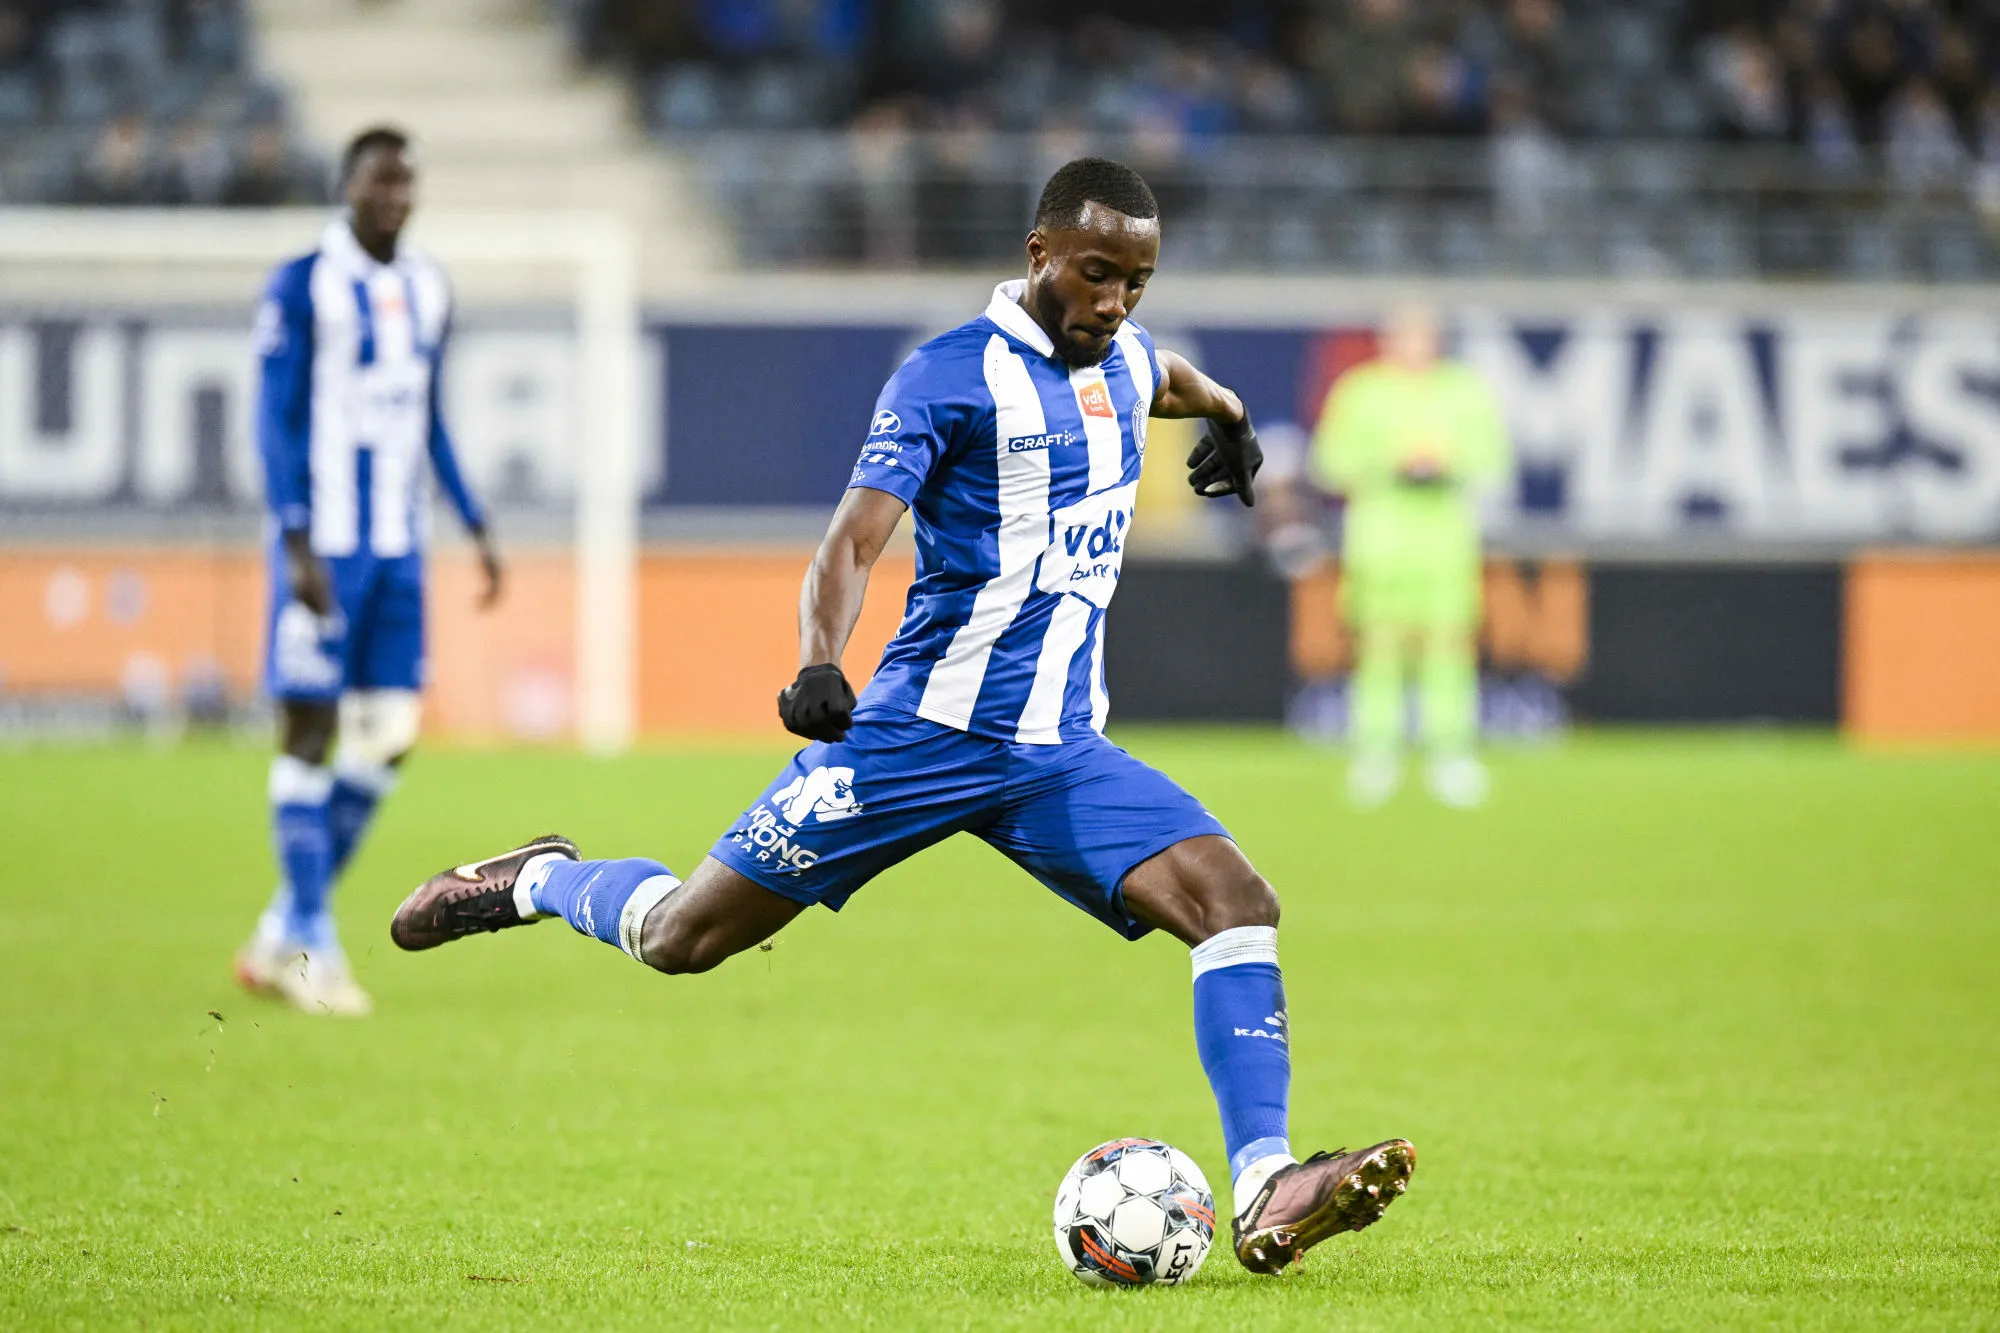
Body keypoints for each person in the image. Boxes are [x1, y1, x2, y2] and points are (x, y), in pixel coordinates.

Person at [389, 158, 1415, 1275]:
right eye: (1095, 274)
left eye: (1136, 280)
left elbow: (1158, 376)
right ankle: (535, 877)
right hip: (913, 742)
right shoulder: (948, 377)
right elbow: (851, 540)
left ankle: (1267, 1183)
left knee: (1235, 903)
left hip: (1056, 754)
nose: (1115, 301)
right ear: (1037, 257)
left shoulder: (1118, 359)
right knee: (681, 938)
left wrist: (1224, 409)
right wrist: (818, 660)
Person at [235, 125, 503, 1016]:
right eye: (376, 182)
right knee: (308, 735)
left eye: (404, 183)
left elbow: (427, 416)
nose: (393, 197)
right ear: (346, 188)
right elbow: (274, 419)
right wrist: (296, 536)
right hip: (326, 547)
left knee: (389, 733)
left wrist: (473, 518)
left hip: (398, 548)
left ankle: (282, 926)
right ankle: (311, 941)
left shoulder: (429, 287)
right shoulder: (303, 282)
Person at [1311, 302, 1509, 809]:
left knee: (1448, 649)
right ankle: (1377, 753)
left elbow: (1491, 458)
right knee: (1378, 649)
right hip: (1380, 541)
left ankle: (1451, 754)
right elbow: (1331, 462)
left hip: (1445, 542)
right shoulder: (1361, 391)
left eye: (1423, 337)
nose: (1414, 347)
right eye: (1405, 337)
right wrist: (1391, 461)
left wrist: (1446, 461)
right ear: (1388, 341)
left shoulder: (1462, 390)